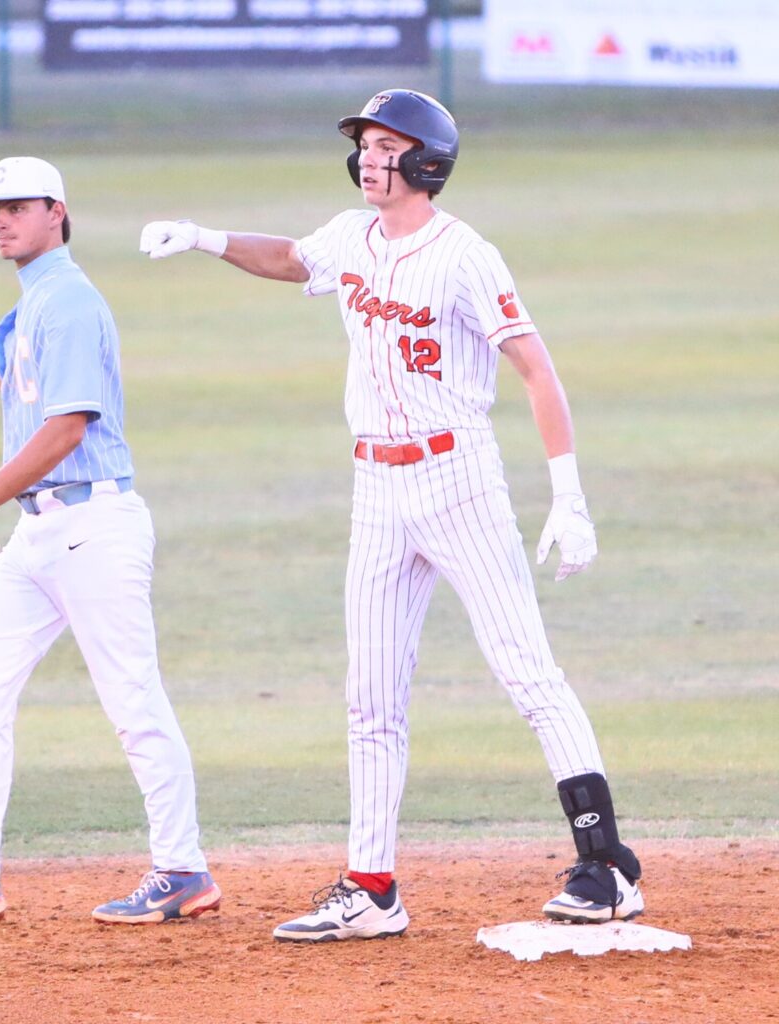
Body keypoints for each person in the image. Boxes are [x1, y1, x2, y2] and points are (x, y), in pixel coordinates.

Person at [139, 90, 642, 942]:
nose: (371, 158)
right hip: (376, 489)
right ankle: (372, 888)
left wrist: (569, 495)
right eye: (364, 145)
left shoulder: (465, 256)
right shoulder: (350, 235)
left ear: (427, 162)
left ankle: (608, 867)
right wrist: (206, 238)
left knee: (526, 672)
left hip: (460, 480)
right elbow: (293, 260)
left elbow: (535, 369)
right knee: (370, 698)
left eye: (386, 145)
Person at [0, 157, 221, 926]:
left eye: (15, 207)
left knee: (133, 700)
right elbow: (41, 400)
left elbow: (69, 427)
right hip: (43, 533)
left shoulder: (68, 300)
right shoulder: (37, 302)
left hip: (93, 527)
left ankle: (183, 869)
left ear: (56, 212)